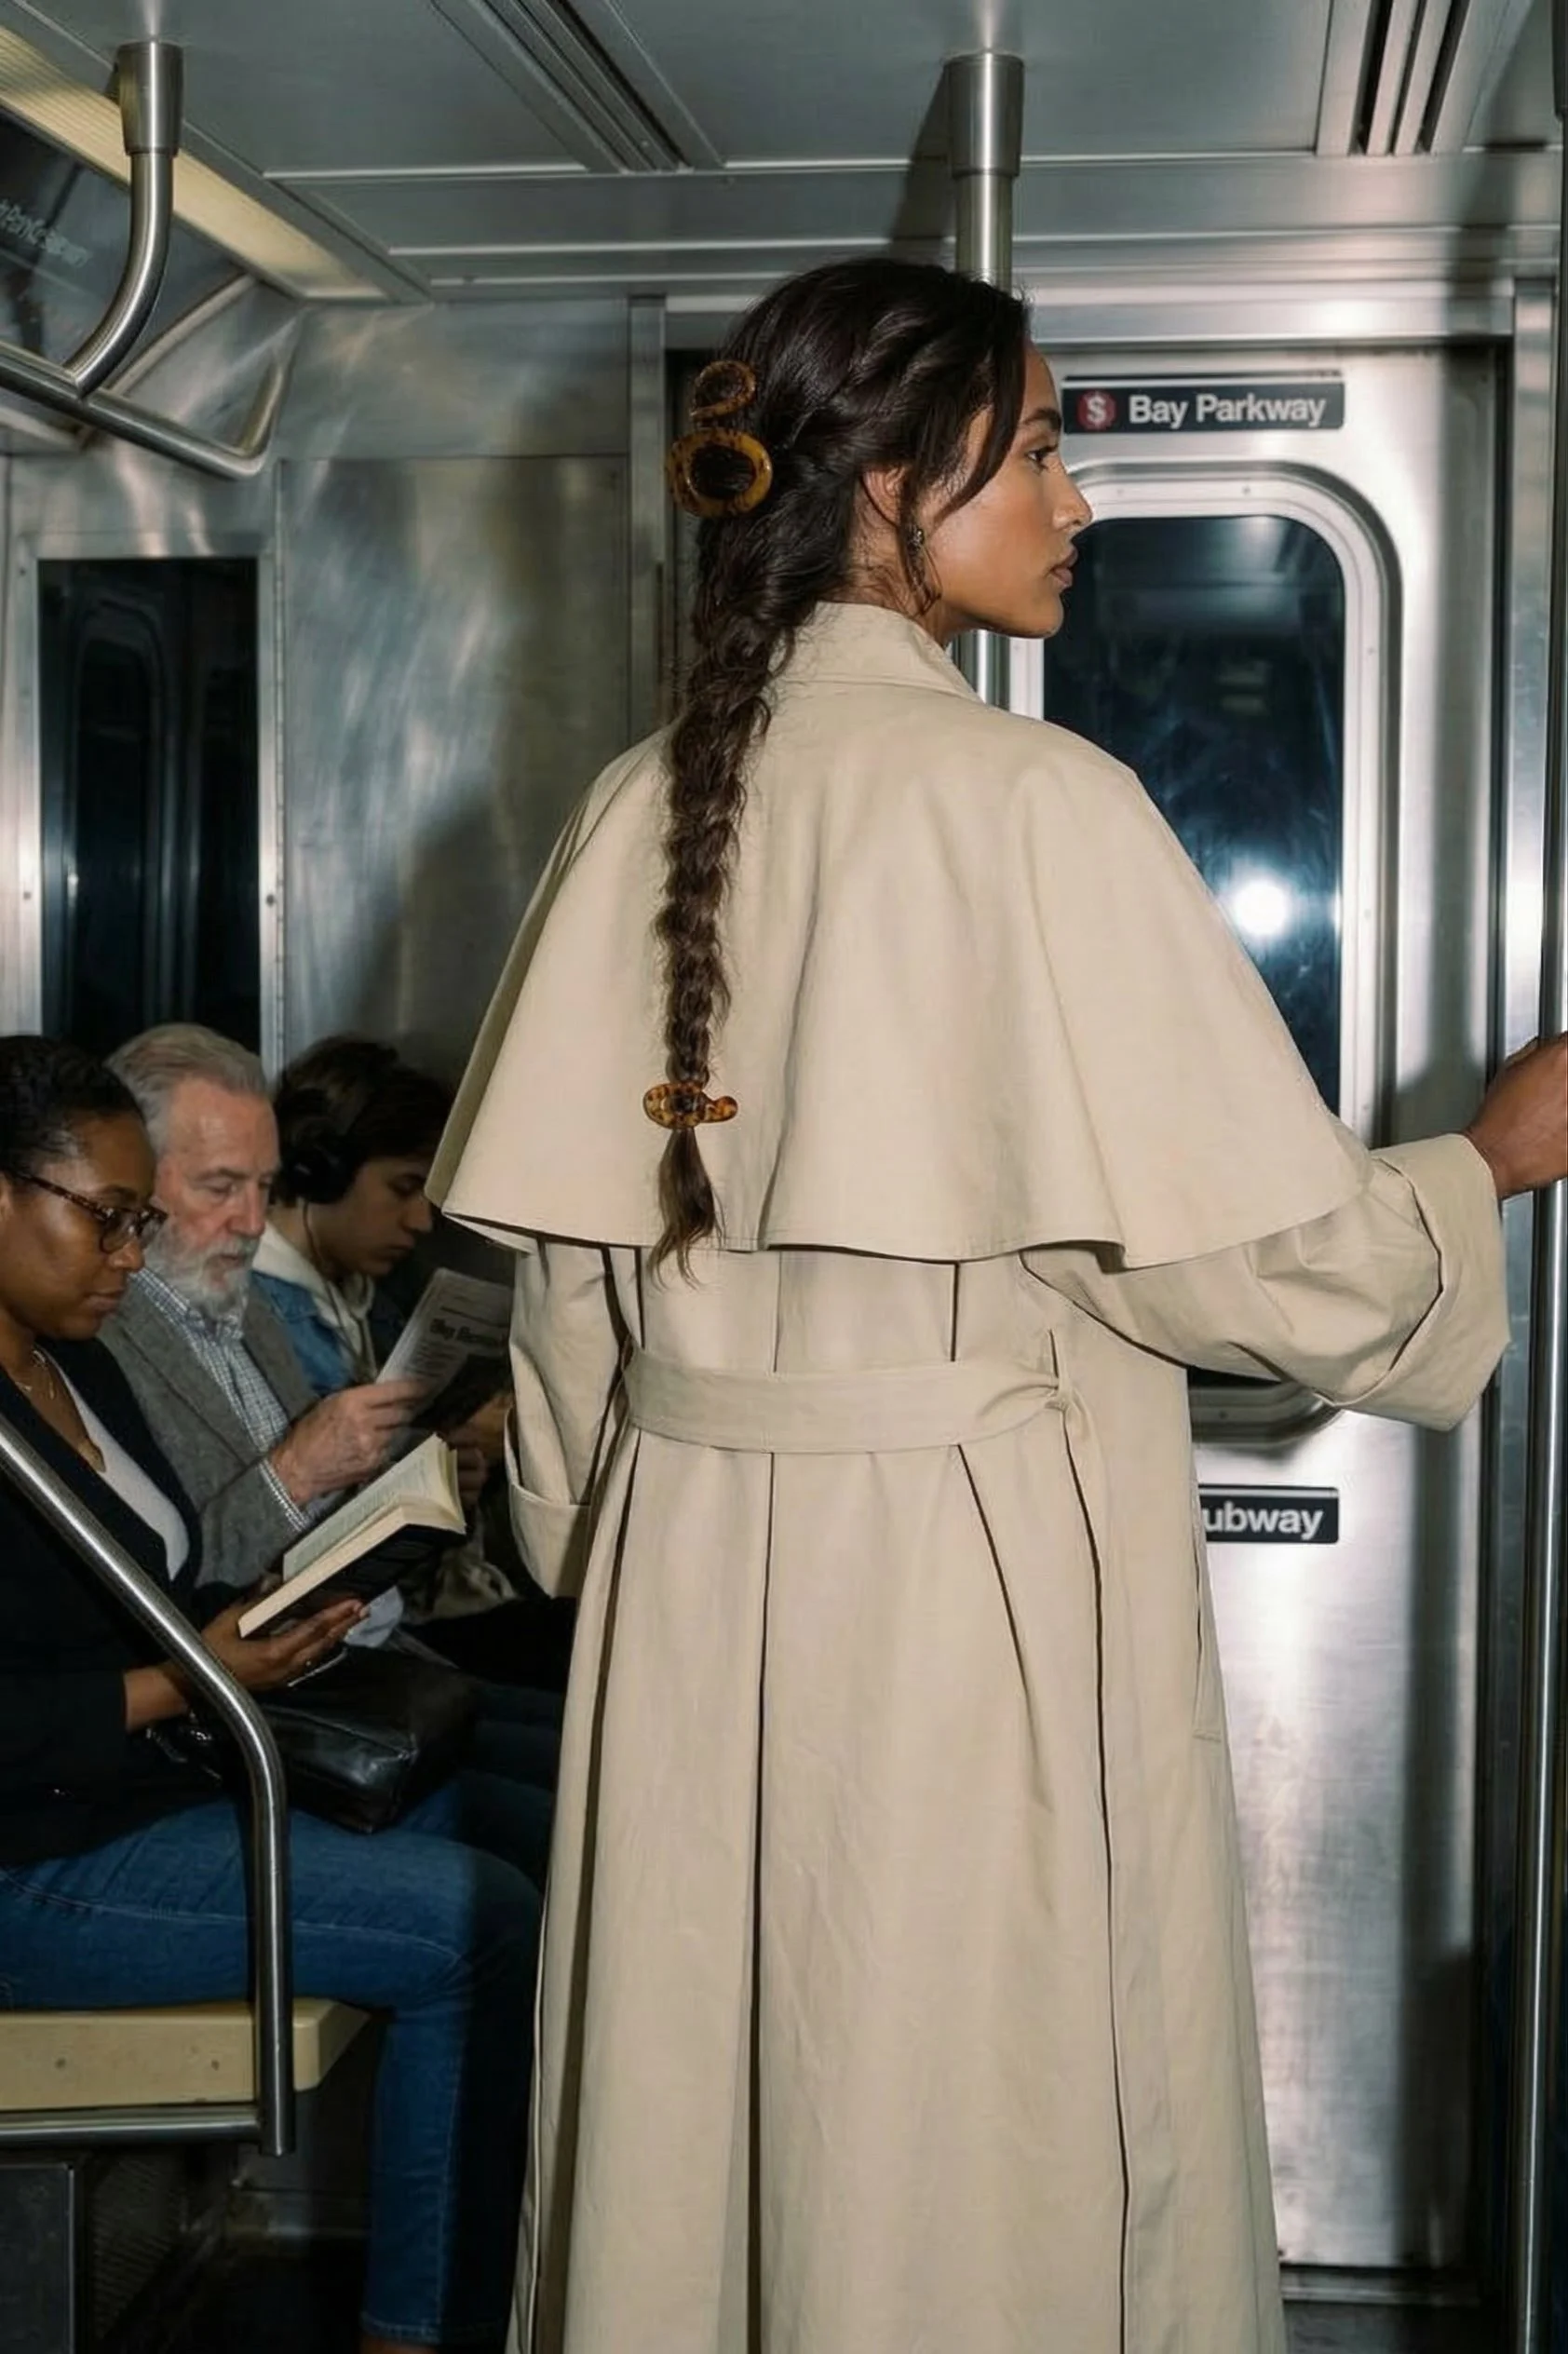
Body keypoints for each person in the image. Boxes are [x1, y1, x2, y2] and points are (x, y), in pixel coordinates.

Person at [428, 258, 1568, 2354]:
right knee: (967, 2133)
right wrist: (1480, 1165)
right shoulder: (1040, 808)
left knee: (702, 2139)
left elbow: (575, 1332)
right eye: (1038, 441)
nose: (1076, 495)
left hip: (686, 1612)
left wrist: (654, 1553)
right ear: (883, 482)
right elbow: (1258, 1269)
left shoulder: (632, 805)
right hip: (964, 1608)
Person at [0, 1034, 544, 2354]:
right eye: (107, 1219)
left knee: (528, 1832)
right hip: (38, 1858)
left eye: (141, 1219)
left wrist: (255, 1627)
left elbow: (156, 1576)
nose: (130, 1254)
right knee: (480, 1922)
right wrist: (195, 1671)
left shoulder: (76, 1364)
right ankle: (418, 2329)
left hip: (153, 1780)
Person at [101, 1024, 561, 1778]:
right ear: (132, 1180)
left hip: (370, 1656)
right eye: (220, 1188)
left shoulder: (241, 1304)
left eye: (263, 1185)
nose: (251, 1222)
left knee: (583, 1765)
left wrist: (421, 1488)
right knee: (540, 1832)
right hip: (254, 1712)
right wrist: (296, 1472)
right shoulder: (109, 1336)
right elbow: (160, 1588)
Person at [256, 1033, 574, 1689]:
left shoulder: (373, 1299)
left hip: (401, 1609)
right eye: (402, 1188)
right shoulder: (262, 1317)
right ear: (323, 1169)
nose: (421, 1221)